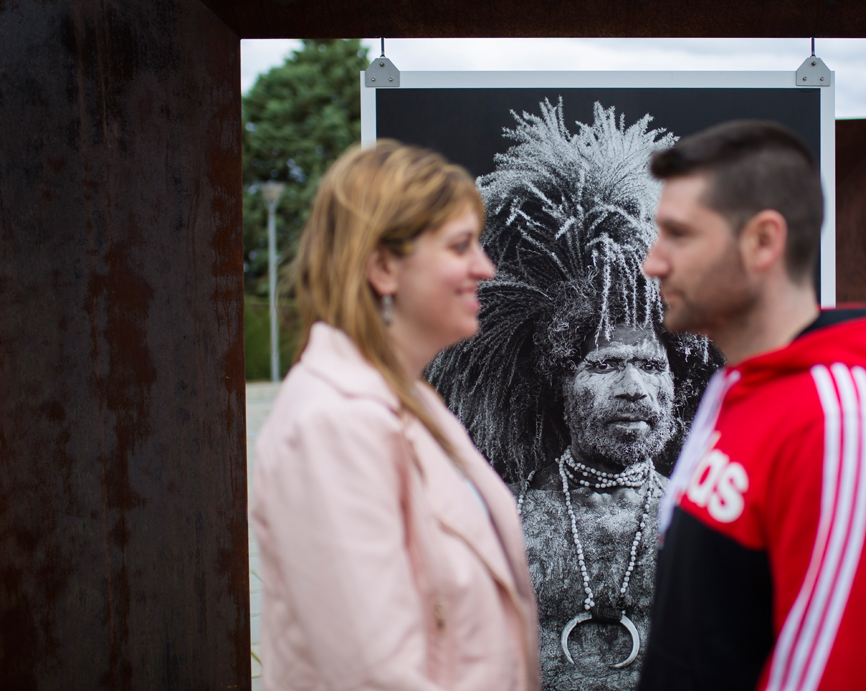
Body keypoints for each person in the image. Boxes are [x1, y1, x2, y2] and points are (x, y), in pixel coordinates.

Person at [427, 99, 719, 690]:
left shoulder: (707, 520)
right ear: (562, 380)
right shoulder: (503, 519)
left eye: (649, 365)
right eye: (607, 364)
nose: (635, 389)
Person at [637, 121, 866, 691]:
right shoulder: (735, 387)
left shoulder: (847, 425)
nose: (654, 262)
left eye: (678, 234)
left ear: (764, 241)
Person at [251, 141, 540, 691]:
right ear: (383, 267)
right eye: (460, 246)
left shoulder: (410, 398)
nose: (485, 267)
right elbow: (375, 675)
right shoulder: (332, 426)